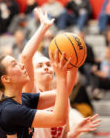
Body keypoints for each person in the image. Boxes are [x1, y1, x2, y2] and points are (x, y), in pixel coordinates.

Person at [21, 8, 100, 138]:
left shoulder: (62, 98)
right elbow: (26, 57)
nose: (45, 67)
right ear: (32, 75)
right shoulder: (30, 92)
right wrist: (43, 28)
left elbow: (62, 137)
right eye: (40, 66)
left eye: (48, 64)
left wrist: (74, 132)